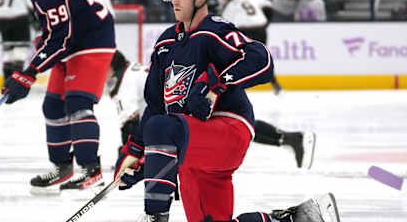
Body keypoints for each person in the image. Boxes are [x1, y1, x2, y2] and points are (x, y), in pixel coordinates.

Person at [113, 0, 342, 222]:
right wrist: (136, 152)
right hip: (192, 143)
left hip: (228, 129)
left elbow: (262, 60)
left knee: (162, 128)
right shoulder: (166, 42)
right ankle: (302, 217)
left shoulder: (214, 31)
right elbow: (155, 105)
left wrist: (215, 82)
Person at [2, 0, 116, 192]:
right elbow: (54, 30)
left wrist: (28, 73)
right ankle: (62, 167)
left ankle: (90, 170)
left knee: (78, 103)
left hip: (92, 41)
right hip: (72, 41)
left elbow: (61, 37)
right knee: (53, 106)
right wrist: (32, 64)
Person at [109, 48, 315, 169]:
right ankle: (289, 138)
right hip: (193, 92)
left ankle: (290, 139)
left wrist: (129, 157)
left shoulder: (123, 81)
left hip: (189, 100)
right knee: (234, 126)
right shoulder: (133, 69)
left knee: (229, 131)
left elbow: (129, 123)